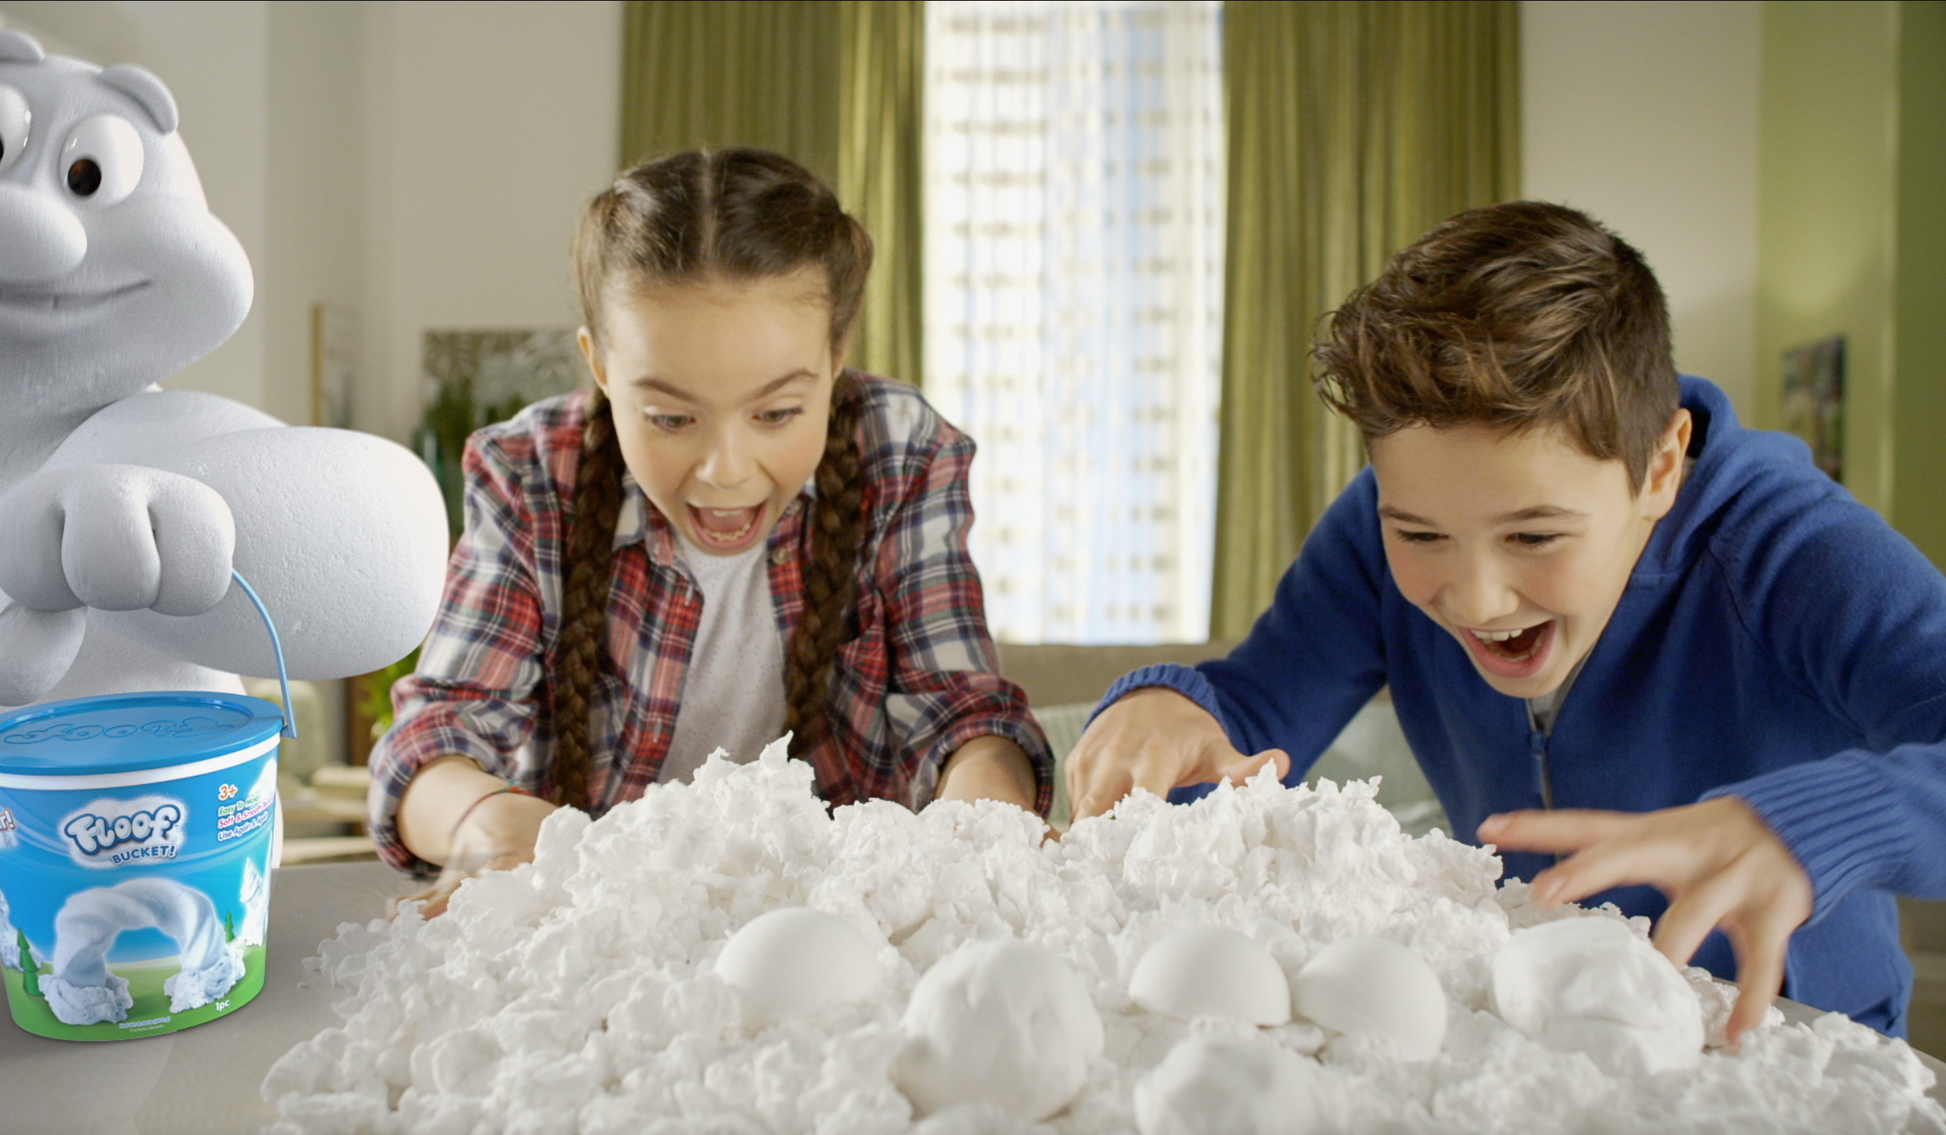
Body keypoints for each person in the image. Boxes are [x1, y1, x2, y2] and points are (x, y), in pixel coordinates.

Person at [1065, 200, 1946, 1046]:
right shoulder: (1378, 525)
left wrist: (1809, 827)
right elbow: (1250, 721)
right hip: (1533, 1029)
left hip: (1787, 1037)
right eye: (1421, 533)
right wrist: (1172, 706)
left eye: (1535, 534)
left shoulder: (1798, 554)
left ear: (1661, 466)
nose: (1479, 598)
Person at [370, 148, 1049, 914]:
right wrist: (491, 824)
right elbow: (435, 737)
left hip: (835, 922)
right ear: (598, 363)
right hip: (604, 926)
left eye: (777, 413)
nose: (725, 469)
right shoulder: (532, 474)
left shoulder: (901, 452)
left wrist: (981, 815)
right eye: (670, 417)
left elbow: (961, 712)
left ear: (835, 357)